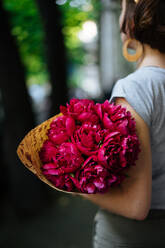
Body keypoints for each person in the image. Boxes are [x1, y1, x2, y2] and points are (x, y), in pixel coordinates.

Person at [81, 0, 165, 247]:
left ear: (132, 20)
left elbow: (135, 206)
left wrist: (76, 188)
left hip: (131, 237)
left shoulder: (135, 89)